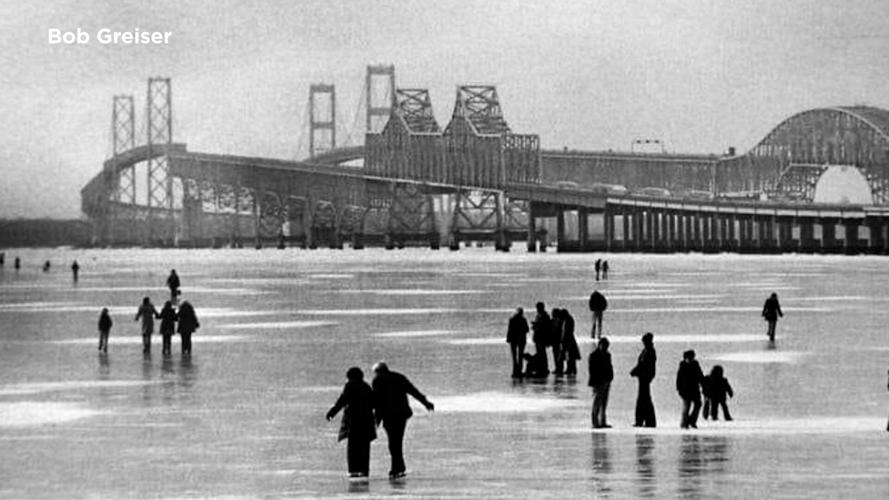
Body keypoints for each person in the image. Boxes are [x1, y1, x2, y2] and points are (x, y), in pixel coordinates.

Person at [371, 362, 434, 479]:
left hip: (388, 415)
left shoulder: (377, 380)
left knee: (393, 442)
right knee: (397, 440)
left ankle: (397, 468)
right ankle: (398, 467)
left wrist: (376, 420)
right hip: (401, 414)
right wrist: (426, 403)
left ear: (377, 371)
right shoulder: (399, 377)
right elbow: (413, 391)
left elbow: (378, 401)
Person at [326, 367, 377, 479]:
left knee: (353, 448)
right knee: (364, 448)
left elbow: (342, 400)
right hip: (366, 422)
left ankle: (353, 470)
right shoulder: (366, 387)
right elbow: (374, 403)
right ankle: (364, 470)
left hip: (353, 422)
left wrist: (331, 413)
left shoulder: (350, 386)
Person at [630, 332, 657, 427]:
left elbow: (644, 365)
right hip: (643, 378)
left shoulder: (649, 351)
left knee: (644, 400)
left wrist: (635, 371)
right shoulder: (646, 351)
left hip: (645, 378)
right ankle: (644, 420)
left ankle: (646, 421)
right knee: (644, 399)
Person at [588, 337, 614, 428]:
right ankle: (595, 422)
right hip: (598, 382)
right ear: (600, 345)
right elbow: (592, 370)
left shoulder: (607, 355)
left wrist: (610, 378)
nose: (606, 348)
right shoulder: (593, 356)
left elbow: (610, 367)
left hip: (606, 381)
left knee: (604, 403)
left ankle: (602, 421)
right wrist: (595, 382)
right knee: (597, 403)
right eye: (604, 346)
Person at [676, 350, 704, 429]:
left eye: (692, 358)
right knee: (686, 407)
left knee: (698, 404)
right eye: (689, 358)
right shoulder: (682, 366)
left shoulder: (696, 364)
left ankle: (692, 421)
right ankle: (684, 424)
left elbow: (700, 376)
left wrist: (703, 385)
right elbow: (679, 379)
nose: (690, 359)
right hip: (685, 390)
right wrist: (679, 389)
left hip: (695, 389)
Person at [506, 307, 529, 377]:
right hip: (521, 339)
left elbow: (509, 330)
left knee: (514, 355)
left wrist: (508, 338)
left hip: (513, 339)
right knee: (520, 355)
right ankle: (519, 370)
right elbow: (527, 329)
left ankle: (515, 370)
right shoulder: (523, 320)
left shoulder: (512, 319)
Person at [557, 309, 581, 376]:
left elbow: (566, 332)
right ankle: (571, 369)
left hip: (568, 341)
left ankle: (570, 369)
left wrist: (562, 340)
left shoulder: (567, 320)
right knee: (570, 356)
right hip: (569, 340)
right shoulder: (568, 319)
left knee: (569, 356)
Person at [531, 302, 552, 375]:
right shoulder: (539, 315)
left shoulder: (544, 316)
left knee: (542, 353)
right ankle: (541, 367)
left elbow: (545, 327)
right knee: (540, 353)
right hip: (538, 337)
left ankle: (544, 367)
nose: (537, 309)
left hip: (542, 337)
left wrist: (537, 325)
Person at [551, 308, 565, 375]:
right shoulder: (561, 321)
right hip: (558, 340)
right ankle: (559, 368)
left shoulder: (554, 321)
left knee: (556, 354)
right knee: (559, 354)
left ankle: (558, 368)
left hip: (556, 340)